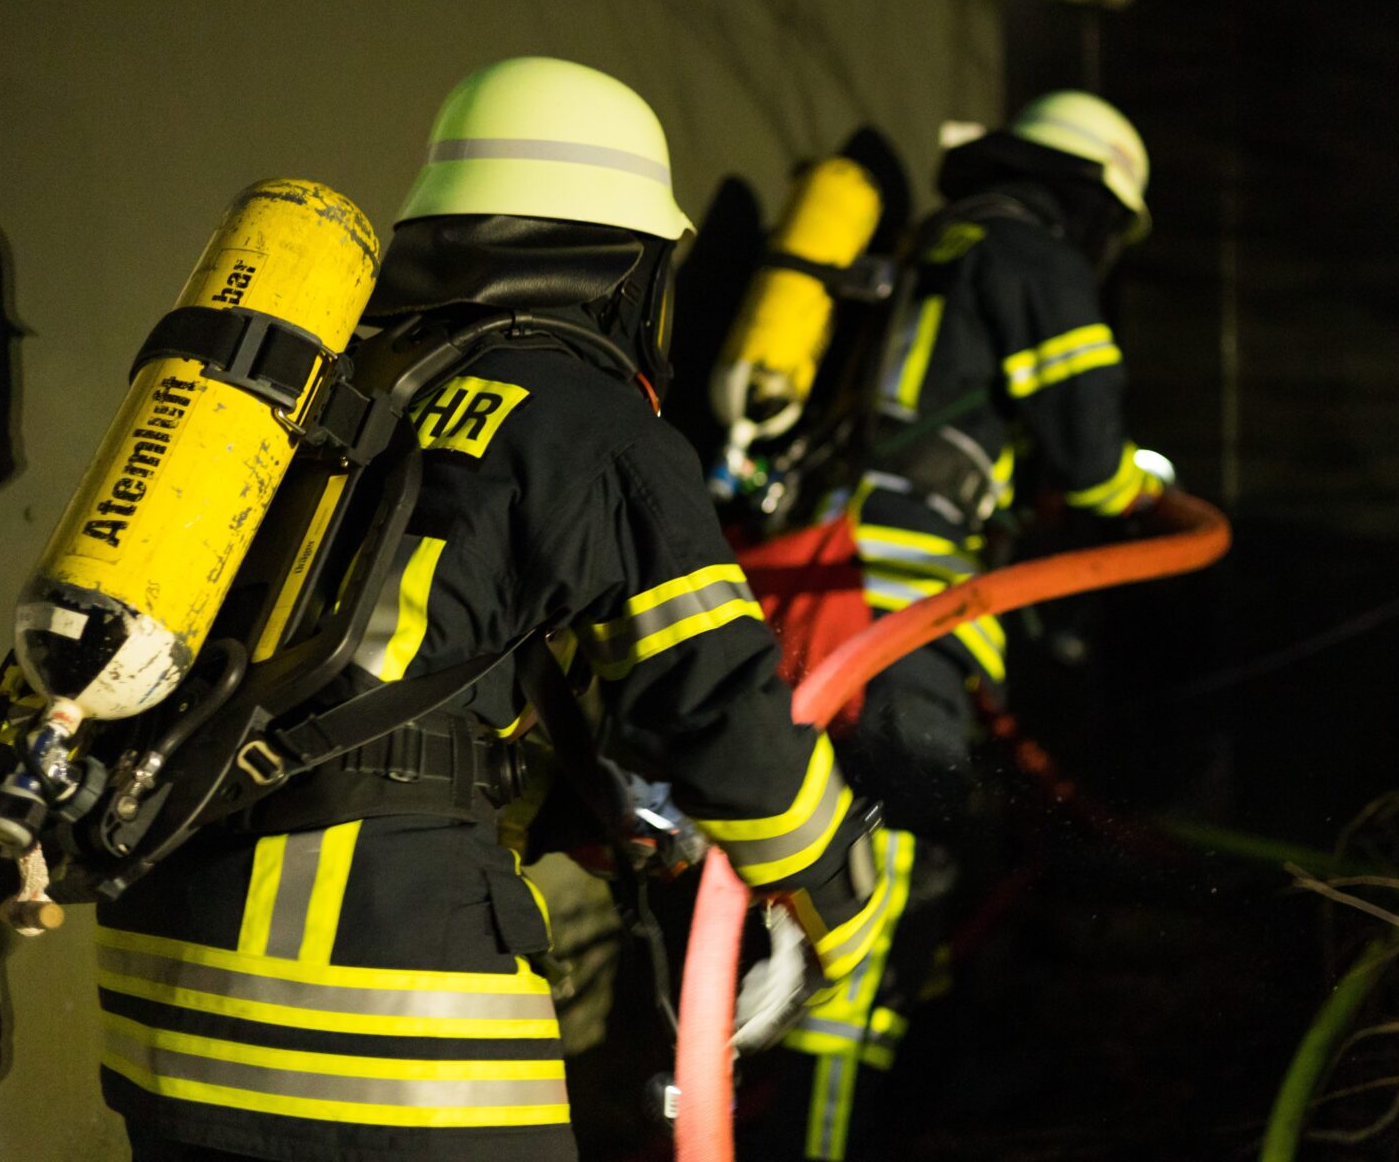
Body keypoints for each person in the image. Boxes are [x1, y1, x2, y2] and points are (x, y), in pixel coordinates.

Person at [89, 57, 888, 1162]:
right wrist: (838, 877)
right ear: (623, 263)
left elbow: (377, 672)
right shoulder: (591, 424)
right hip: (380, 1020)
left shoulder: (329, 384)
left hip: (163, 997)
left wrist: (571, 807)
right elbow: (714, 702)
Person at [745, 90, 1164, 1160]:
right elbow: (1090, 460)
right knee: (877, 904)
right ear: (1096, 202)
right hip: (906, 616)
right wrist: (1139, 486)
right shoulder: (1038, 256)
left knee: (841, 873)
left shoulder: (936, 241)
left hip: (820, 592)